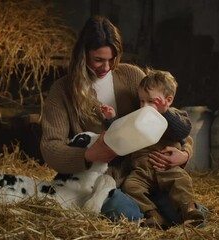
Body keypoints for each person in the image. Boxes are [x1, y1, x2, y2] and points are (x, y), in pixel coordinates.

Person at [40, 16, 199, 223]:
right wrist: (88, 154)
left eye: (112, 58)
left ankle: (161, 212)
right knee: (127, 212)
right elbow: (50, 148)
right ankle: (147, 214)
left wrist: (184, 153)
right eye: (98, 60)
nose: (107, 66)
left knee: (188, 212)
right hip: (101, 179)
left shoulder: (131, 75)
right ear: (82, 54)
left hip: (145, 170)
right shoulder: (62, 91)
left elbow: (167, 117)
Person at [100, 67, 205, 228]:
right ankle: (153, 215)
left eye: (150, 101)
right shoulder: (138, 117)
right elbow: (123, 132)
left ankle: (189, 210)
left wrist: (165, 112)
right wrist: (111, 120)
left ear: (168, 100)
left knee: (181, 180)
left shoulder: (174, 116)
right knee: (130, 186)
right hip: (141, 171)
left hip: (166, 168)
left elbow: (183, 131)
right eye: (142, 100)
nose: (144, 106)